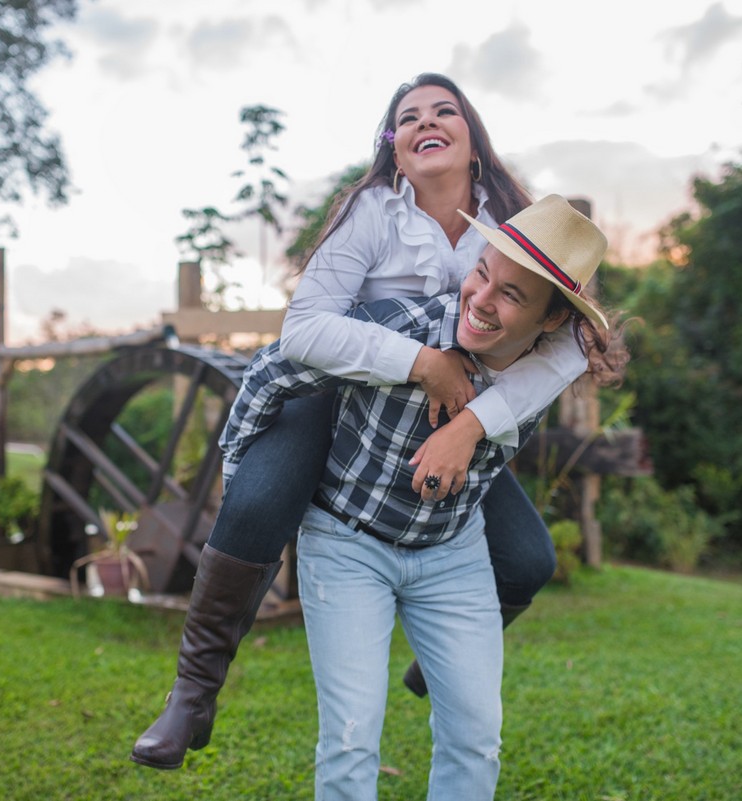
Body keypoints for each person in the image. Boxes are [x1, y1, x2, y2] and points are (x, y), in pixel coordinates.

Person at [130, 73, 587, 770]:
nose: (426, 121)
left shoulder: (511, 221)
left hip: (448, 419)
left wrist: (469, 425)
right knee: (255, 501)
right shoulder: (372, 210)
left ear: (474, 142)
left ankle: (441, 665)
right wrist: (420, 362)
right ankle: (193, 692)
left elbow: (567, 349)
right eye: (408, 117)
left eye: (445, 111)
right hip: (342, 394)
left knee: (527, 558)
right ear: (395, 150)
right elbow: (304, 331)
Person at [222, 196, 629, 799]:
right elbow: (271, 372)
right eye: (483, 273)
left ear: (551, 324)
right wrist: (240, 480)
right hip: (347, 545)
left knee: (477, 735)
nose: (482, 299)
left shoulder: (553, 369)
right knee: (351, 736)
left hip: (451, 554)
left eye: (512, 295)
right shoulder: (399, 327)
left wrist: (467, 429)